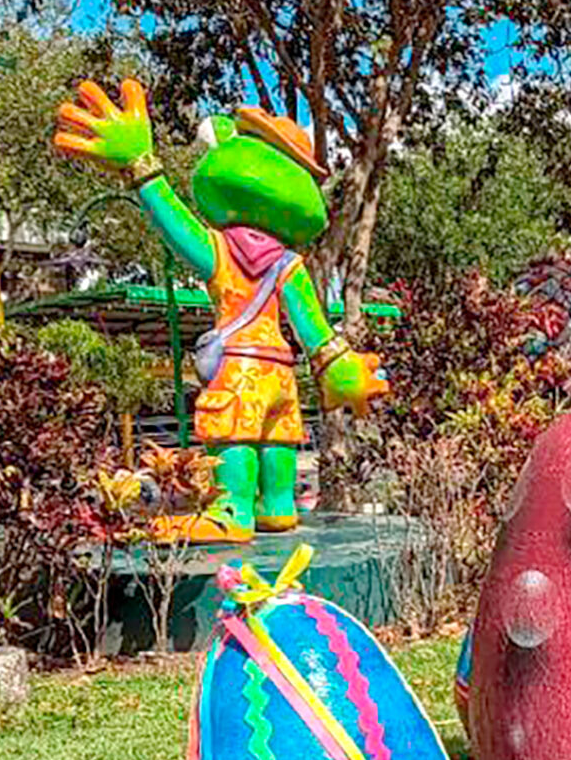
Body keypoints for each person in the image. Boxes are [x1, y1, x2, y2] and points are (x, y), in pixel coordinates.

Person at [55, 78, 384, 544]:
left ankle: (232, 510)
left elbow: (179, 228)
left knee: (236, 434)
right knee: (276, 439)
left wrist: (143, 168)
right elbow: (317, 335)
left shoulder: (221, 251)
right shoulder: (291, 265)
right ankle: (277, 505)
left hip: (239, 372)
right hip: (282, 375)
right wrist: (345, 370)